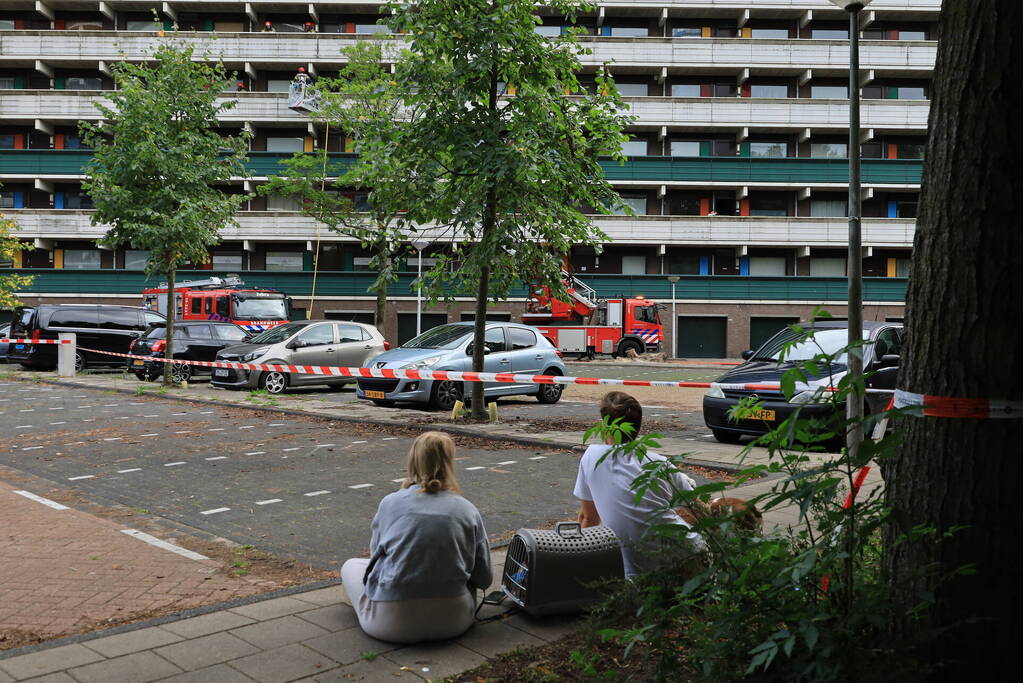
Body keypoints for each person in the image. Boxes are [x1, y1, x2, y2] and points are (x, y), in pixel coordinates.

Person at [341, 432, 492, 643]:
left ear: (413, 460)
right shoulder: (467, 510)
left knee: (351, 566)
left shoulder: (390, 503)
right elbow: (484, 579)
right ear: (450, 462)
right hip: (454, 622)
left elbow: (375, 561)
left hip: (389, 625)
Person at [574, 391, 704, 579]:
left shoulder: (591, 456)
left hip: (631, 572)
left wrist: (578, 566)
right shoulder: (659, 463)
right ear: (638, 426)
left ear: (604, 426)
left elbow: (588, 519)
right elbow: (700, 511)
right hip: (686, 557)